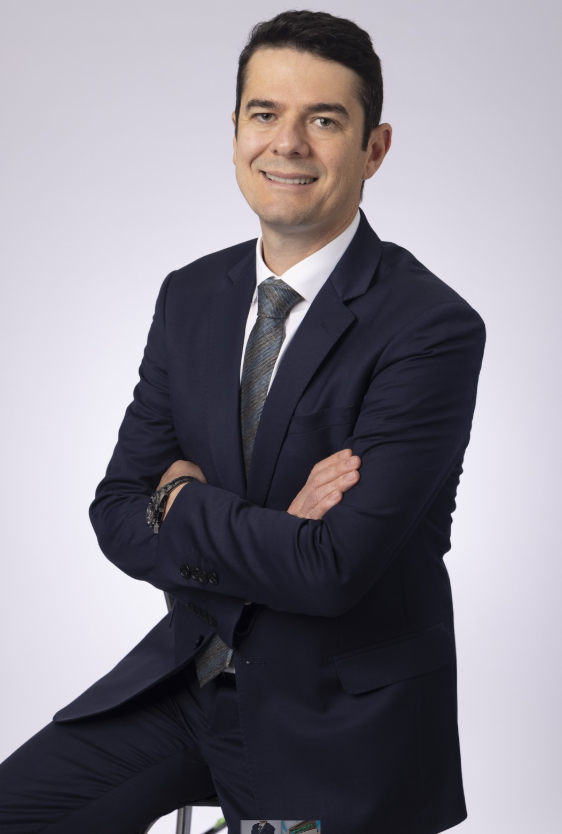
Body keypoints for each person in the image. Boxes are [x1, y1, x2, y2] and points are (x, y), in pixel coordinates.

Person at [0, 9, 486, 834]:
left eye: (323, 120)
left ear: (374, 148)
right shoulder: (191, 296)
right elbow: (115, 510)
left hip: (333, 724)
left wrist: (181, 503)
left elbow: (332, 569)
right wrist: (273, 529)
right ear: (235, 133)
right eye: (265, 114)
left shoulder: (429, 327)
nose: (287, 144)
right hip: (187, 683)